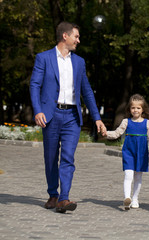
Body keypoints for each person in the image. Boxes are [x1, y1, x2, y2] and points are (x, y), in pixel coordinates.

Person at [29, 21, 106, 213]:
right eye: (76, 37)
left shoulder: (79, 62)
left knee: (68, 157)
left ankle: (64, 198)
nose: (78, 41)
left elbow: (87, 91)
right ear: (65, 36)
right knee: (50, 157)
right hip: (51, 114)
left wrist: (96, 117)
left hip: (72, 115)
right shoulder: (43, 58)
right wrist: (38, 110)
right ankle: (53, 194)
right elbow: (34, 85)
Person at [103, 94, 149, 210]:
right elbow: (117, 133)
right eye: (133, 108)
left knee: (138, 176)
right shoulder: (126, 121)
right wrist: (106, 133)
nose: (135, 110)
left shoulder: (148, 123)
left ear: (143, 109)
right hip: (129, 151)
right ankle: (127, 198)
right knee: (128, 174)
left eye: (138, 108)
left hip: (141, 152)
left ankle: (135, 198)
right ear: (129, 109)